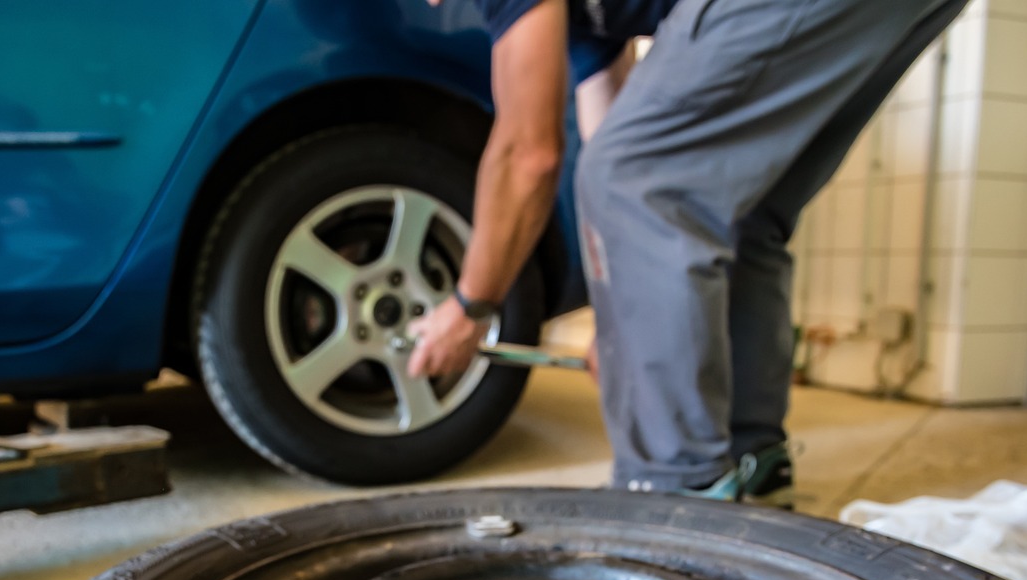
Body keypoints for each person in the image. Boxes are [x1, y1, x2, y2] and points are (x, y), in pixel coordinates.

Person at [408, 0, 966, 505]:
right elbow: (613, 170)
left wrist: (471, 307)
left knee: (641, 180)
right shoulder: (578, 19)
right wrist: (620, 327)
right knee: (732, 205)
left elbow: (529, 154)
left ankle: (675, 496)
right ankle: (755, 471)